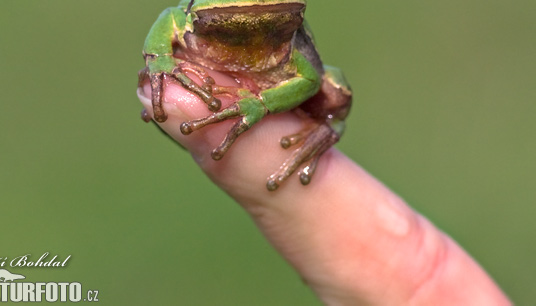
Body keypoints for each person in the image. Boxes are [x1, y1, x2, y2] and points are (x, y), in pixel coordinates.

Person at [138, 69, 510, 305]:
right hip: (205, 77)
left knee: (335, 88)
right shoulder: (185, 21)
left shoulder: (287, 36)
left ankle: (321, 133)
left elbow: (311, 80)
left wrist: (261, 104)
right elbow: (169, 21)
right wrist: (158, 61)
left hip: (280, 84)